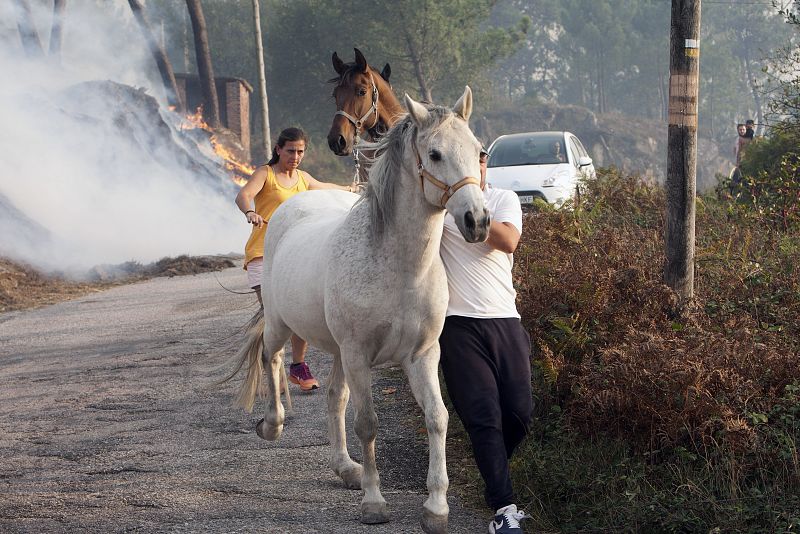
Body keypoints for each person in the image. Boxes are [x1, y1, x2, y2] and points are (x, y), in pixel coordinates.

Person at [439, 147, 533, 533]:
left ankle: (492, 468)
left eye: (478, 161)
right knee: (483, 417)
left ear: (484, 165)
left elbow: (508, 241)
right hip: (457, 324)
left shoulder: (502, 199)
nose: (473, 168)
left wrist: (473, 211)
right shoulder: (439, 210)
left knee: (520, 413)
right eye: (464, 163)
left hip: (505, 319)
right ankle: (503, 509)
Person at [235, 127, 355, 391]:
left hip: (292, 257)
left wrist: (349, 188)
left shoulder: (302, 179)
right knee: (275, 315)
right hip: (263, 254)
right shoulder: (266, 174)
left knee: (296, 309)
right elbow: (243, 195)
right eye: (291, 151)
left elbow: (325, 188)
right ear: (278, 149)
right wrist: (250, 212)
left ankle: (298, 367)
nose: (296, 156)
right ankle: (273, 364)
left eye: (300, 151)